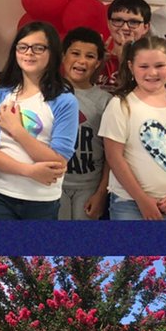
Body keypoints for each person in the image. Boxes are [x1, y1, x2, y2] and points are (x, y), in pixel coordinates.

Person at [0, 22, 77, 220]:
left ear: (53, 53)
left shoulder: (65, 101)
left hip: (42, 200)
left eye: (38, 48)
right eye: (22, 47)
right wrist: (29, 171)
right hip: (0, 195)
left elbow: (58, 161)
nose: (29, 53)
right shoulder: (1, 95)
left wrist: (17, 130)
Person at [101, 36, 166, 221]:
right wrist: (142, 200)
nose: (152, 73)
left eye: (160, 66)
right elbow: (114, 157)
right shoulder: (120, 105)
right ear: (131, 67)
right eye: (144, 66)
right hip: (129, 203)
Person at [58, 28, 111, 221]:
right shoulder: (48, 93)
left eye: (89, 56)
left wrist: (101, 194)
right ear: (63, 56)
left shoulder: (105, 101)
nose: (81, 61)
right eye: (75, 53)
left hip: (90, 185)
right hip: (54, 184)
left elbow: (111, 155)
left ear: (97, 63)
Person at [99, 0, 151, 90]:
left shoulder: (152, 64)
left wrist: (125, 58)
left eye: (134, 22)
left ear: (145, 27)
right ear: (109, 23)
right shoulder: (99, 59)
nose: (125, 27)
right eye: (118, 20)